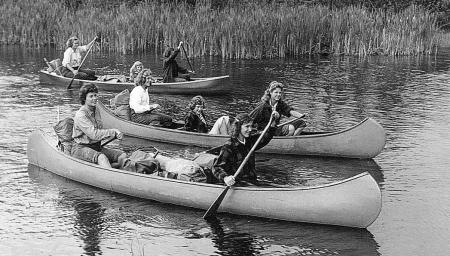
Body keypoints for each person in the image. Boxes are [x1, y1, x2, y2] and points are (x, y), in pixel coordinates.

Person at [212, 112, 278, 186]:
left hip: (252, 181)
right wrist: (225, 178)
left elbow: (266, 136)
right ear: (238, 127)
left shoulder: (250, 141)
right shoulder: (229, 146)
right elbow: (217, 167)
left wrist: (273, 121)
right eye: (247, 126)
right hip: (238, 184)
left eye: (251, 126)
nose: (250, 129)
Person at [71, 84, 127, 168]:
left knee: (122, 155)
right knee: (102, 158)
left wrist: (115, 134)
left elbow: (100, 130)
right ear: (84, 99)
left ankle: (113, 169)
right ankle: (110, 177)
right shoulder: (81, 115)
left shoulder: (96, 109)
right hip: (81, 148)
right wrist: (113, 132)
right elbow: (94, 135)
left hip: (96, 147)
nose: (94, 98)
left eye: (95, 95)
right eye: (91, 96)